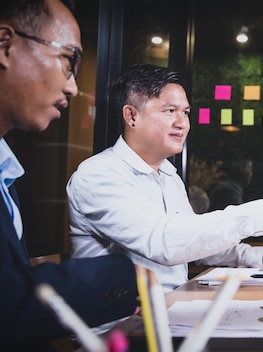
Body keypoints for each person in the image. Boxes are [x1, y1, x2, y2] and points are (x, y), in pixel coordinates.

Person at [67, 64, 263, 293]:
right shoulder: (99, 174)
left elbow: (193, 241)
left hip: (171, 310)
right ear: (131, 115)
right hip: (120, 327)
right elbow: (165, 243)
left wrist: (262, 257)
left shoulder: (168, 175)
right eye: (170, 111)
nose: (182, 123)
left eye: (186, 112)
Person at [0, 0, 139, 349]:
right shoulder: (97, 173)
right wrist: (126, 275)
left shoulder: (7, 169)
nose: (74, 88)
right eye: (68, 61)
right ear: (5, 45)